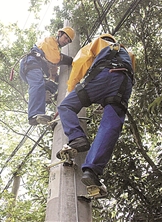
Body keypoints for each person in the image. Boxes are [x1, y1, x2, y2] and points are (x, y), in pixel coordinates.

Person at [57, 33, 134, 187]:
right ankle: (91, 170)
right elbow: (125, 75)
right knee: (111, 125)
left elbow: (81, 62)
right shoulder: (129, 54)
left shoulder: (99, 42)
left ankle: (77, 138)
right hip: (123, 85)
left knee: (65, 106)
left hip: (103, 75)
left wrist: (71, 90)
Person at [20, 27, 75, 125]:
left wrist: (58, 80)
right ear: (59, 33)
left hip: (34, 66)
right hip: (30, 63)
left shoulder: (53, 49)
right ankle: (34, 115)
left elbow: (50, 71)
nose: (66, 41)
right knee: (37, 84)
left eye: (68, 41)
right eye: (65, 38)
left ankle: (44, 94)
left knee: (51, 86)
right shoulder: (50, 41)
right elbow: (55, 58)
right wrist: (70, 60)